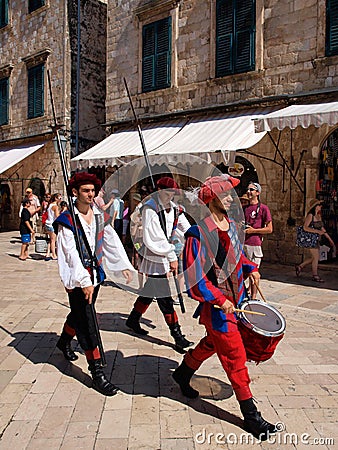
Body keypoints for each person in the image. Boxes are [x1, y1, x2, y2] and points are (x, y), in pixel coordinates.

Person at [172, 175, 278, 441]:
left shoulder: (231, 225)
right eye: (227, 194)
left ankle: (183, 373)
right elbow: (196, 278)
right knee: (235, 357)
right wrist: (220, 300)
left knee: (212, 343)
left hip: (237, 301)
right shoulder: (197, 234)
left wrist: (251, 268)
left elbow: (236, 256)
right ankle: (251, 416)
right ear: (212, 199)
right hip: (219, 307)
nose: (233, 198)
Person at [54, 172, 134, 396]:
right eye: (85, 191)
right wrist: (82, 280)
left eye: (92, 191)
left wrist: (123, 265)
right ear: (75, 193)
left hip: (95, 275)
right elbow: (69, 254)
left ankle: (63, 342)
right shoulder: (67, 221)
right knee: (88, 321)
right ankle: (97, 372)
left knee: (80, 313)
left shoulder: (99, 216)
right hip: (78, 277)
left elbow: (111, 240)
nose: (90, 195)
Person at [126, 177, 194, 352]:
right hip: (155, 256)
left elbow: (186, 228)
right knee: (165, 299)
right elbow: (153, 236)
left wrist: (199, 237)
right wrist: (171, 255)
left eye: (172, 193)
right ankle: (177, 336)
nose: (169, 196)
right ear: (158, 190)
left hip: (166, 255)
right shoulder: (150, 208)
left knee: (149, 292)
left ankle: (133, 319)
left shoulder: (175, 210)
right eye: (166, 192)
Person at [243, 182, 272, 299]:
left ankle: (253, 297)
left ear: (258, 193)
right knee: (244, 272)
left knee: (254, 273)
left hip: (254, 244)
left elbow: (269, 229)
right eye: (248, 189)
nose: (249, 191)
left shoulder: (263, 208)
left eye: (252, 190)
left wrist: (253, 231)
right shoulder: (244, 208)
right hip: (242, 244)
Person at [295, 199, 334, 282]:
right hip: (311, 240)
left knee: (314, 257)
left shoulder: (318, 216)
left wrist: (329, 239)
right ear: (315, 206)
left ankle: (300, 266)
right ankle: (315, 275)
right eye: (319, 205)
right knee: (316, 257)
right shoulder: (310, 216)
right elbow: (305, 227)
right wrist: (317, 231)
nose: (321, 206)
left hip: (316, 240)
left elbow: (322, 229)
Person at [45, 193, 62, 261]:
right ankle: (54, 255)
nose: (60, 200)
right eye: (59, 198)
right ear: (56, 198)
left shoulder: (50, 205)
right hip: (52, 224)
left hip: (47, 223)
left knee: (51, 239)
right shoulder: (55, 206)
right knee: (53, 240)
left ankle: (48, 253)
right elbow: (57, 216)